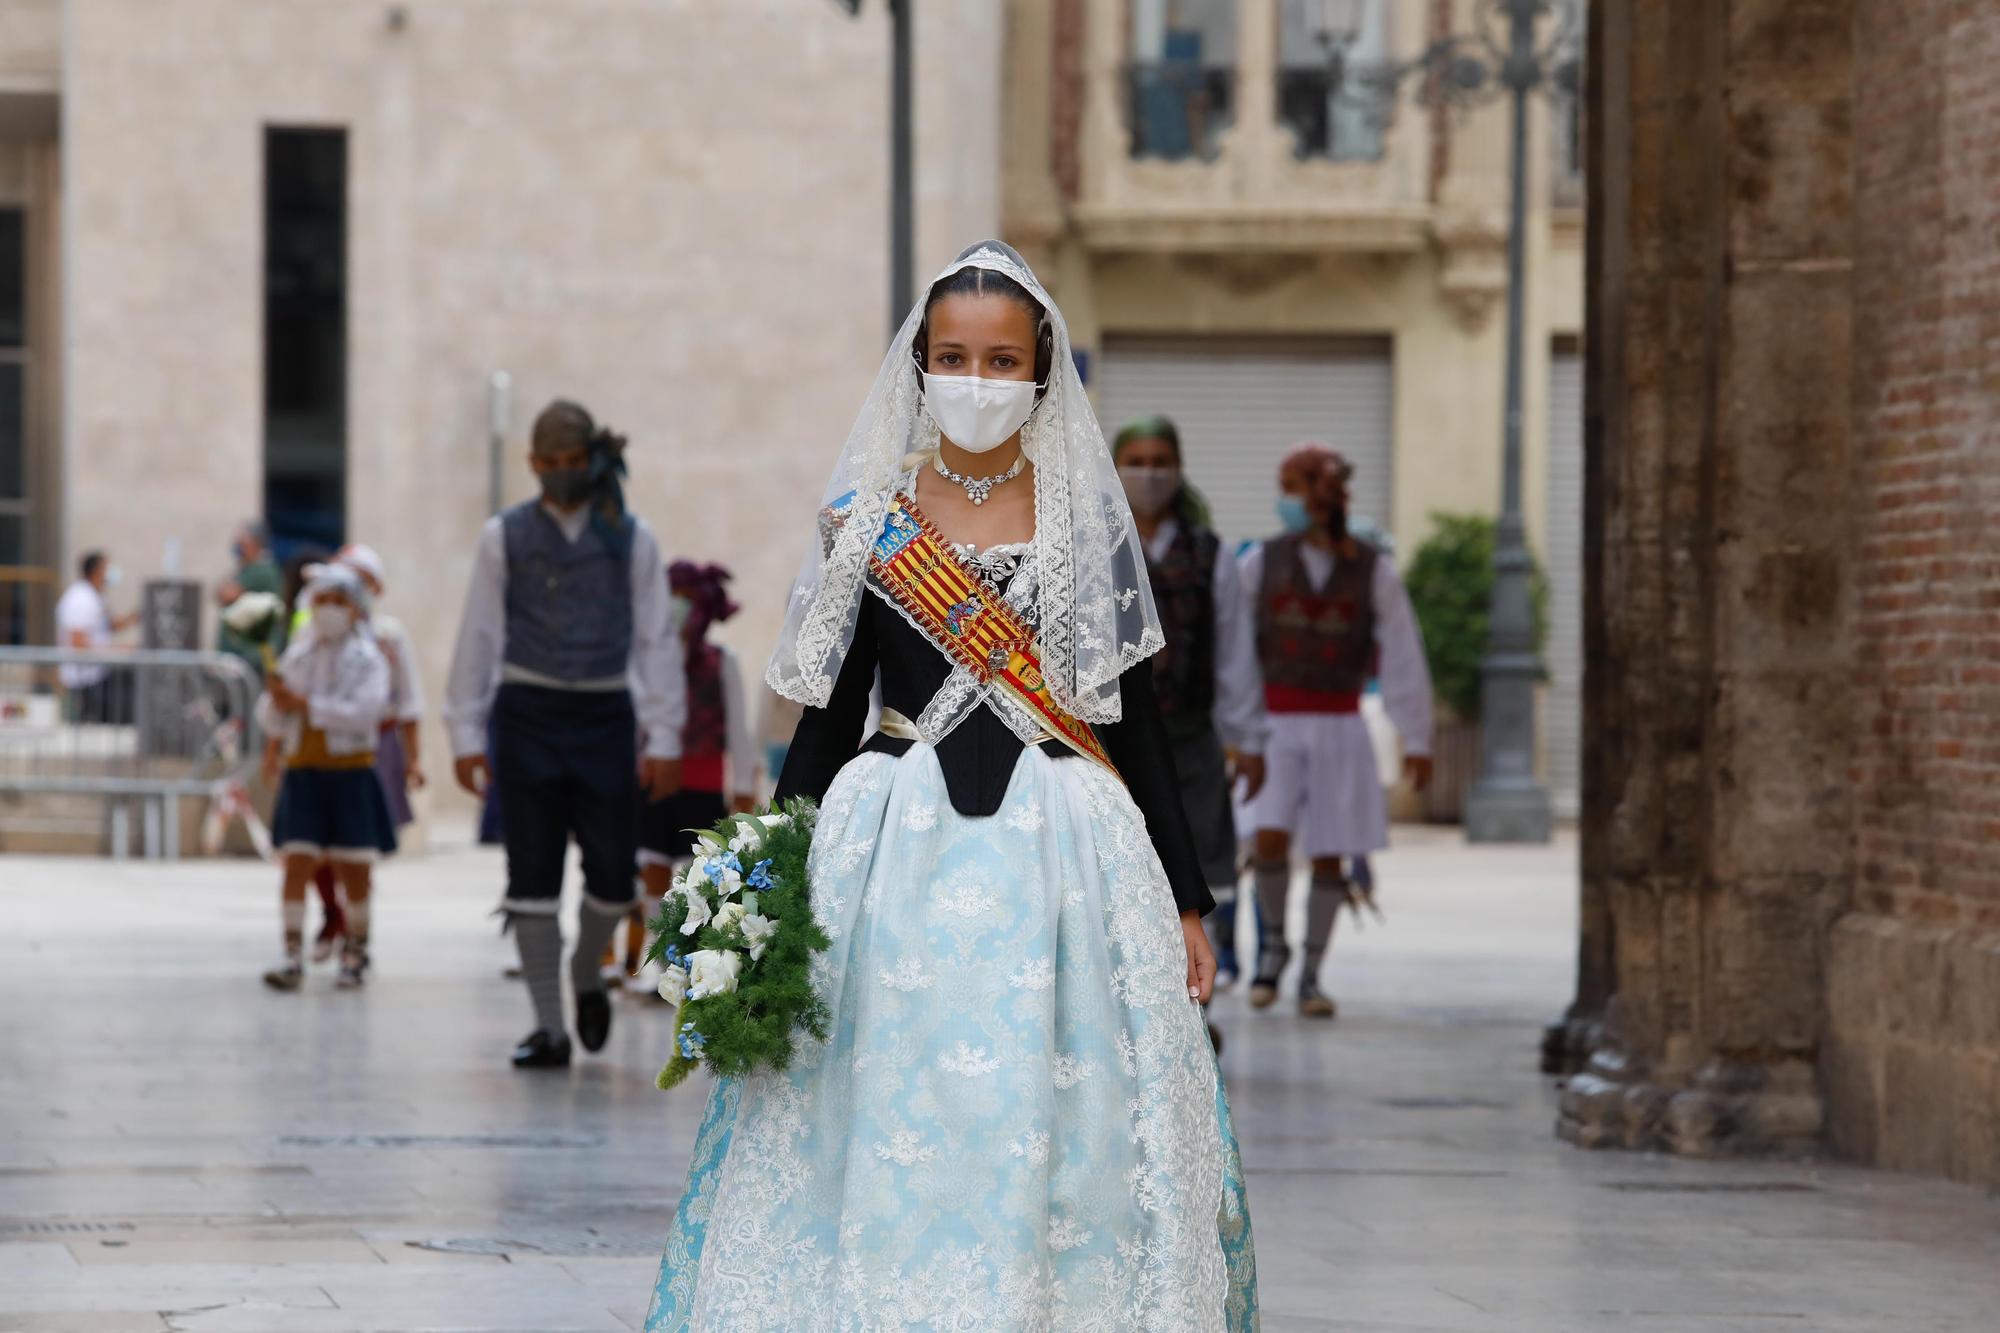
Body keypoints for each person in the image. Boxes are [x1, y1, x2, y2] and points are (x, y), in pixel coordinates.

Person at [644, 243, 1256, 1330]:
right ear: (919, 368)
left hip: (1068, 856)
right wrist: (769, 878)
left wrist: (1187, 897)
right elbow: (827, 717)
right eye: (953, 356)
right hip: (887, 855)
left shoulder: (1084, 527)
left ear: (1040, 370)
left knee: (1067, 1113)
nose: (975, 378)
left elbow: (1132, 718)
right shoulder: (866, 523)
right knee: (880, 1097)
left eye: (1001, 358)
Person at [445, 400, 685, 1070]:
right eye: (547, 464)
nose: (559, 474)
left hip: (607, 714)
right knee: (532, 873)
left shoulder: (632, 538)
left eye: (571, 462)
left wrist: (664, 736)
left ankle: (587, 969)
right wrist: (464, 730)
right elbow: (479, 633)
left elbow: (656, 639)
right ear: (530, 465)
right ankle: (549, 1026)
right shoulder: (504, 537)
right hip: (526, 713)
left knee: (614, 876)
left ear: (592, 461)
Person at [1240, 442, 1434, 1019]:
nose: (1287, 500)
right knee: (1267, 835)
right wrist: (1234, 725)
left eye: (1294, 487)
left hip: (1339, 724)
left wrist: (1417, 736)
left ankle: (1313, 974)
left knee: (1330, 851)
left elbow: (1402, 653)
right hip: (1273, 723)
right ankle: (1272, 948)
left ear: (1324, 495)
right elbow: (1234, 651)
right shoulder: (1260, 562)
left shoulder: (1373, 571)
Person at [1112, 415, 1268, 995]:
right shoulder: (1093, 540)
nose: (1148, 474)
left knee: (1202, 861)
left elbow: (1233, 654)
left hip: (1190, 736)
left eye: (1160, 462)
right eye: (1137, 461)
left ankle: (1201, 996)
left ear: (1178, 470)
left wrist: (1247, 740)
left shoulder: (1209, 554)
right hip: (1113, 741)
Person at [619, 560, 757, 995]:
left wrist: (743, 790)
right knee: (653, 874)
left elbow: (738, 728)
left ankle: (696, 969)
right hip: (654, 781)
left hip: (703, 783)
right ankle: (658, 967)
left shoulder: (721, 661)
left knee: (700, 881)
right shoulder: (644, 660)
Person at [257, 563, 396, 991]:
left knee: (353, 868)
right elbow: (272, 718)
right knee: (296, 861)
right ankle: (291, 951)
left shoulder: (368, 660)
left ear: (355, 609)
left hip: (349, 774)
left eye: (339, 602)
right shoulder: (298, 654)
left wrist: (307, 705)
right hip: (304, 774)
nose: (329, 610)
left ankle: (356, 949)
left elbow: (365, 713)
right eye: (321, 600)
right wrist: (278, 704)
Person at [55, 551, 137, 723]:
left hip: (98, 676)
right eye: (106, 567)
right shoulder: (80, 599)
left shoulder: (95, 597)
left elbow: (110, 626)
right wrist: (118, 651)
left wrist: (136, 617)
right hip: (84, 682)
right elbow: (78, 644)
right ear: (96, 571)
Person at [216, 521, 284, 677]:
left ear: (255, 543)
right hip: (244, 654)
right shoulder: (246, 569)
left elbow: (226, 594)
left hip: (253, 655)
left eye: (242, 541)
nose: (238, 546)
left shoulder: (261, 570)